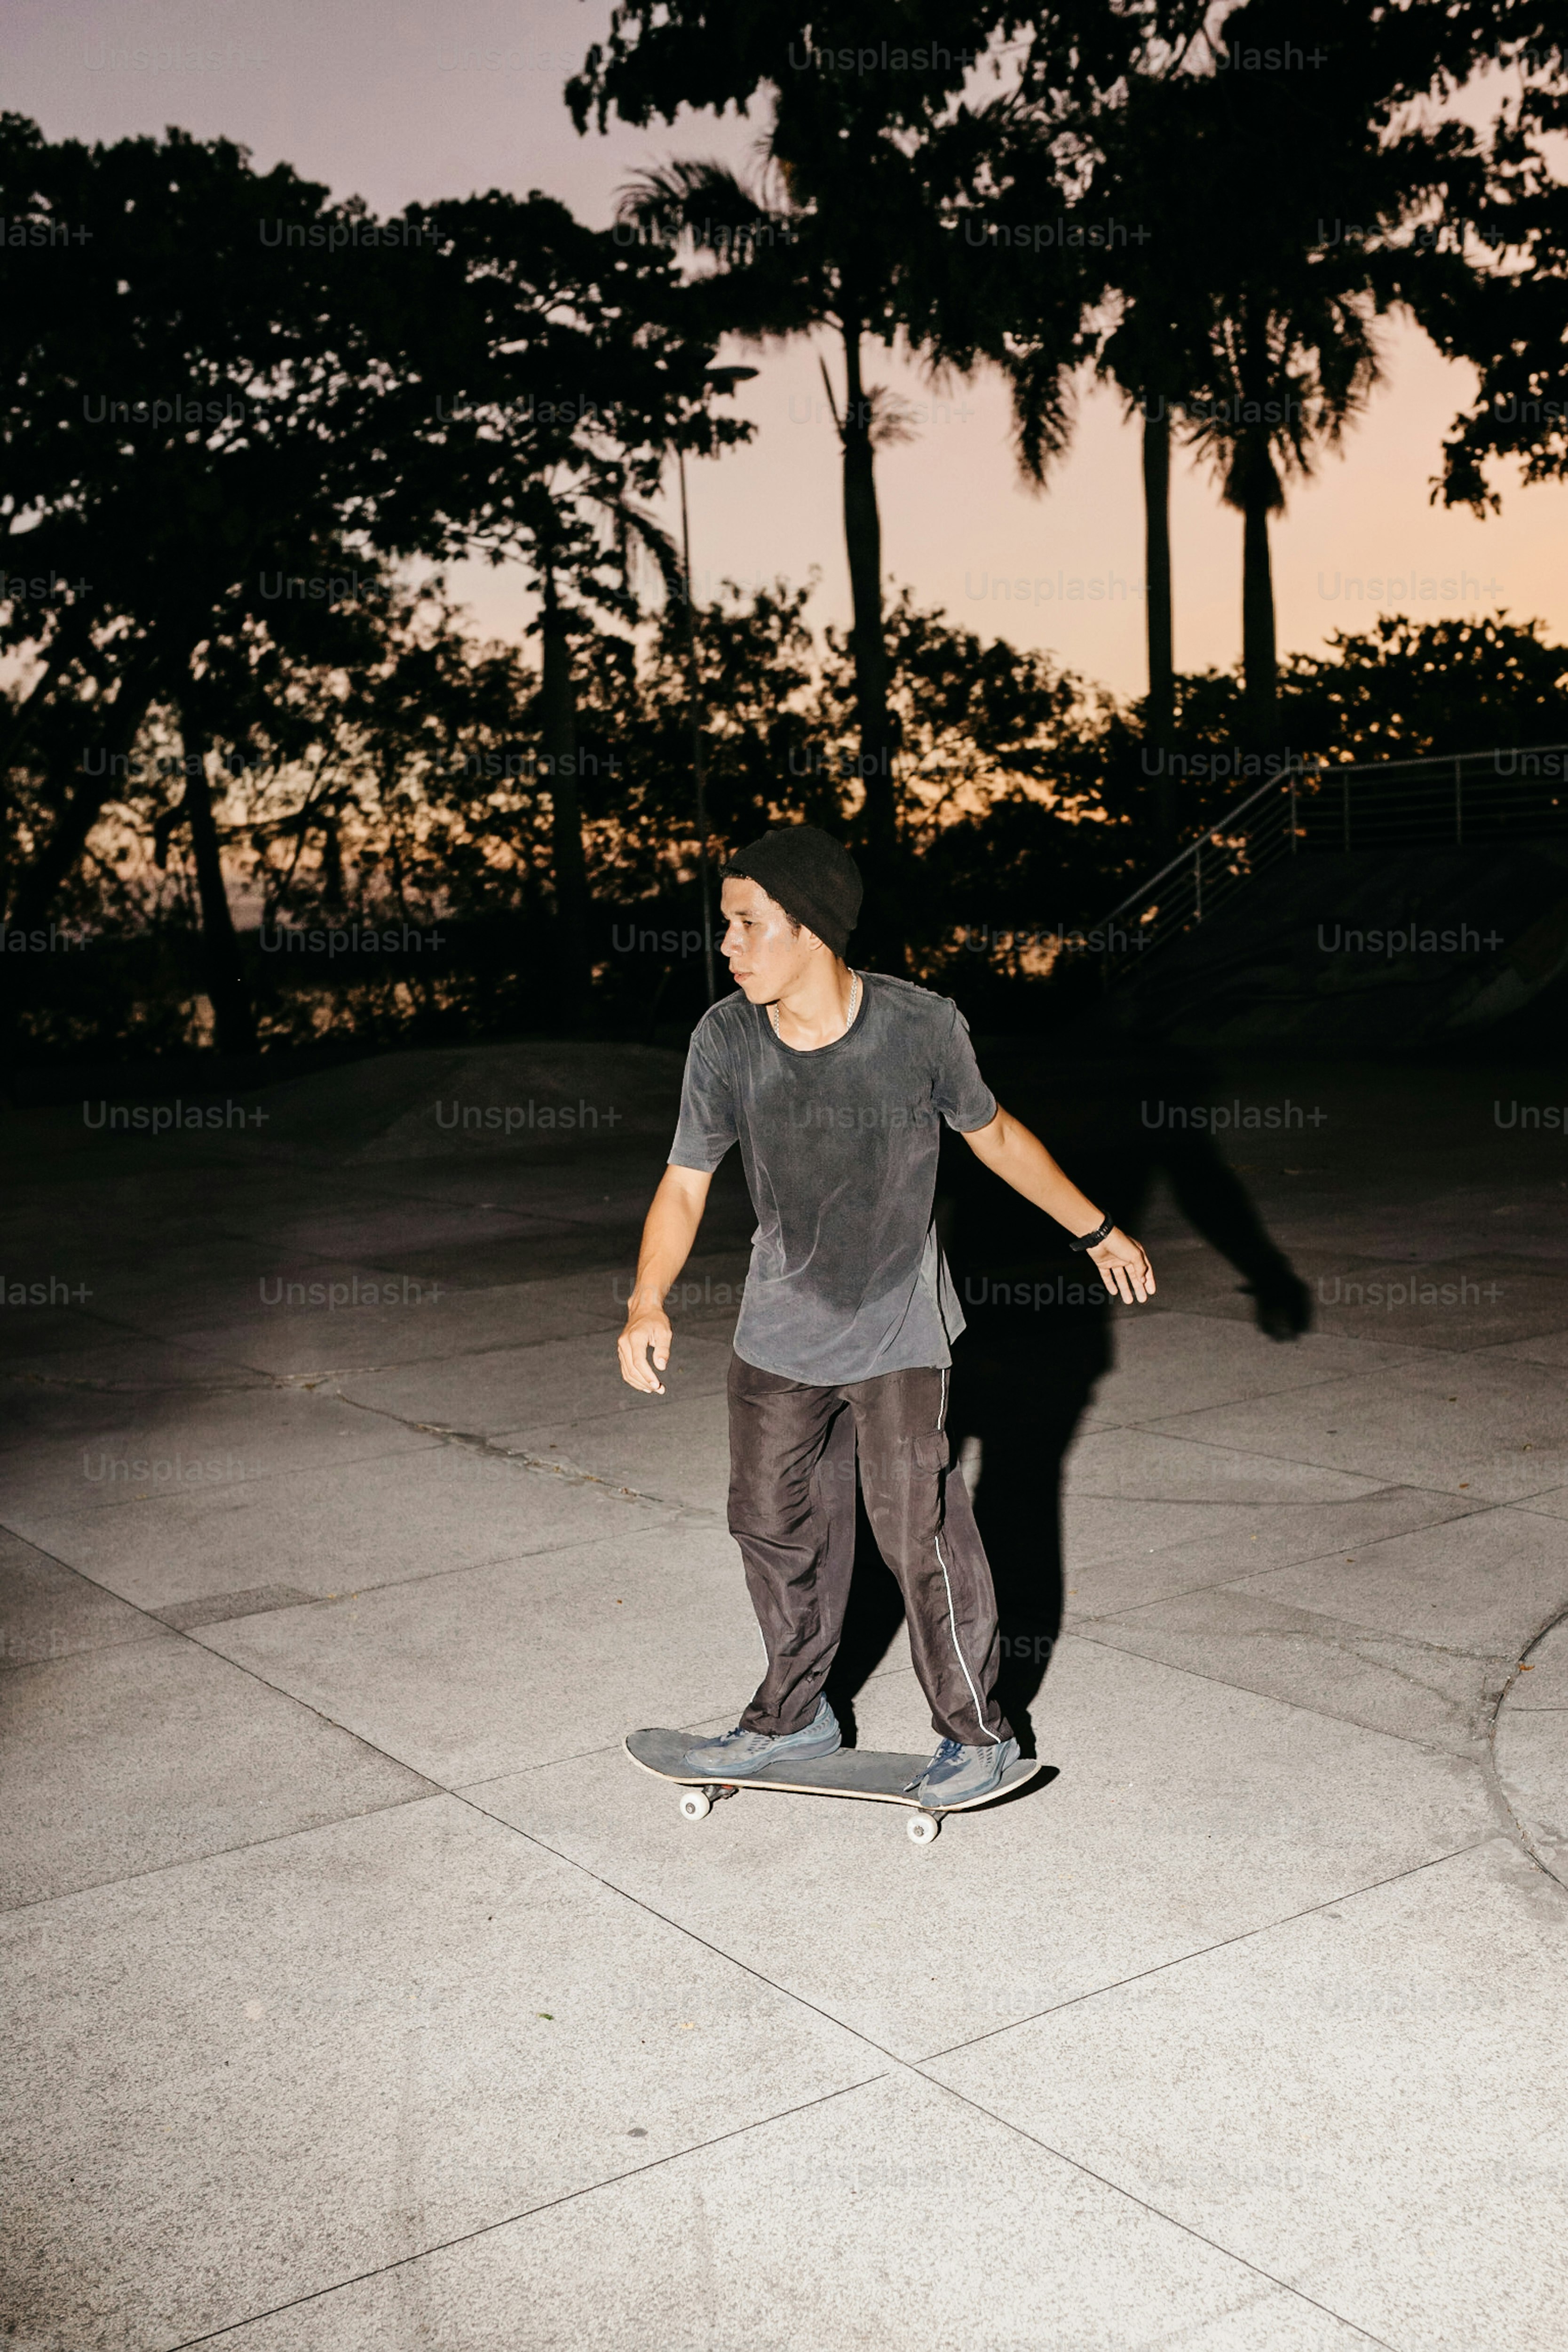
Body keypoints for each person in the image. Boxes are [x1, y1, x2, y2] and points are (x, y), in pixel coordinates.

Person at [616, 826, 1155, 1806]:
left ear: (809, 929)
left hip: (897, 1326)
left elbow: (992, 1136)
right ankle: (790, 1718)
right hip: (778, 1326)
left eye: (746, 925)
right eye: (725, 925)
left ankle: (975, 1735)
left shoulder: (918, 1027)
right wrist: (646, 1297)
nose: (727, 945)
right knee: (769, 1522)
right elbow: (685, 1180)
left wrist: (1096, 1230)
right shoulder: (725, 1038)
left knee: (917, 1528)